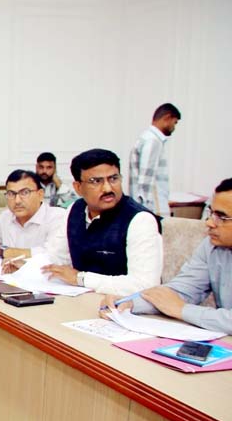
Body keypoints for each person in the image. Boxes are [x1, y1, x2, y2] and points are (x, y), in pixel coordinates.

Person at [101, 178, 232, 332]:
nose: (209, 223)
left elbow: (176, 305)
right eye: (211, 213)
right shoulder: (211, 245)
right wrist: (129, 302)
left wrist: (182, 310)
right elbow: (183, 290)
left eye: (222, 217)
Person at [42, 149, 162, 296]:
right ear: (78, 187)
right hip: (81, 298)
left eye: (113, 179)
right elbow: (57, 256)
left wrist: (81, 278)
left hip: (122, 305)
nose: (107, 188)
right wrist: (30, 267)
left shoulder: (140, 220)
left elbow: (145, 285)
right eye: (96, 181)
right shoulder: (75, 209)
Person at [0, 170, 67, 264]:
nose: (17, 200)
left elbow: (50, 255)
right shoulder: (7, 216)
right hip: (5, 278)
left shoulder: (57, 217)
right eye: (11, 194)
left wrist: (0, 250)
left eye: (25, 193)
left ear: (40, 194)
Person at [129, 102, 181, 217]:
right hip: (153, 209)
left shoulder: (146, 137)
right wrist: (144, 211)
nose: (174, 128)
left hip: (147, 208)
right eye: (175, 123)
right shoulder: (153, 141)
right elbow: (145, 180)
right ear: (167, 118)